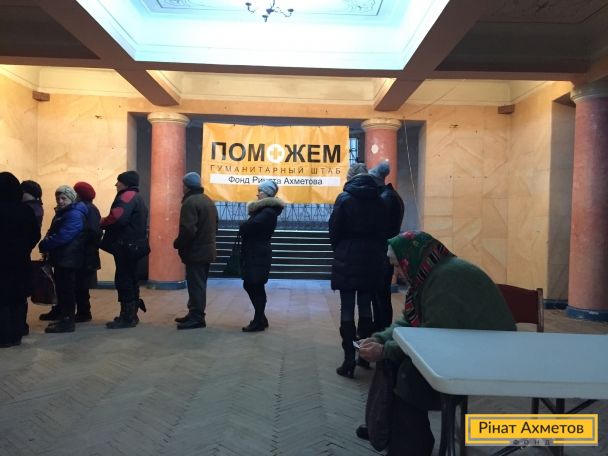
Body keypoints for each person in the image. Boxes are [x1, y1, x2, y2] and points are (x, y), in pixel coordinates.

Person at [358, 231, 516, 455]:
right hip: (469, 346)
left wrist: (384, 350)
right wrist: (380, 339)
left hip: (489, 358)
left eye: (397, 265)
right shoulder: (431, 274)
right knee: (395, 362)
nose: (397, 272)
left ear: (410, 259)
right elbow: (410, 323)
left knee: (408, 373)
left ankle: (410, 446)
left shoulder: (446, 279)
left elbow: (431, 337)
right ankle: (387, 427)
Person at [329, 163, 388, 378]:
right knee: (365, 308)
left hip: (347, 255)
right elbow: (383, 230)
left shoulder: (344, 198)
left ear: (350, 177)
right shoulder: (379, 199)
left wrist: (342, 248)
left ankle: (348, 360)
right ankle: (364, 356)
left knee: (346, 309)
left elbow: (334, 229)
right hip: (371, 258)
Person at [100, 171, 149, 329]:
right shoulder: (138, 197)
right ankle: (132, 315)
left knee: (124, 279)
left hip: (126, 246)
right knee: (131, 278)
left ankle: (127, 317)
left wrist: (101, 222)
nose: (116, 184)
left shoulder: (127, 196)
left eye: (118, 181)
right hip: (135, 246)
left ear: (126, 183)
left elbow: (117, 218)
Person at [39, 185, 88, 333]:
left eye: (63, 198)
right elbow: (53, 231)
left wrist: (45, 244)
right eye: (58, 198)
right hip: (63, 257)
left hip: (69, 258)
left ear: (71, 198)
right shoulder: (64, 212)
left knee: (66, 291)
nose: (60, 201)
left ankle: (67, 321)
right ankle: (63, 317)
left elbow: (63, 236)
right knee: (62, 289)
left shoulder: (74, 214)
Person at [0, 172, 41, 347]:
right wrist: (24, 248)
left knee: (2, 299)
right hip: (20, 260)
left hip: (2, 263)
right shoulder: (26, 210)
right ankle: (17, 334)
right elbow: (35, 235)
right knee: (18, 298)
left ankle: (3, 337)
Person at [173, 172, 218, 330]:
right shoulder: (208, 201)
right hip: (207, 249)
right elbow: (215, 226)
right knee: (199, 284)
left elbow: (188, 230)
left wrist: (178, 243)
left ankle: (197, 318)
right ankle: (193, 313)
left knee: (196, 285)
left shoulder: (190, 202)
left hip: (196, 251)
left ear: (186, 186)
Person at [239, 179, 284, 332]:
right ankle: (261, 318)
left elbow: (250, 226)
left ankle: (258, 321)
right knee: (251, 284)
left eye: (260, 191)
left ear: (266, 194)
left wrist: (243, 226)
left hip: (258, 254)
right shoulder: (264, 211)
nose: (257, 194)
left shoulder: (268, 212)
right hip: (255, 253)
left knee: (255, 285)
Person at [368, 161, 404, 332]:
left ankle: (382, 330)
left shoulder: (386, 198)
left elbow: (378, 226)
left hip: (382, 253)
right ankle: (380, 329)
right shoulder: (390, 196)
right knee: (380, 294)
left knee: (381, 295)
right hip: (383, 251)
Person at [73, 181, 101, 322]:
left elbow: (94, 232)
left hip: (85, 252)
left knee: (81, 284)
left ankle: (84, 312)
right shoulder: (91, 208)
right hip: (87, 252)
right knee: (80, 284)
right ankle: (83, 311)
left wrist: (78, 241)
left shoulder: (87, 209)